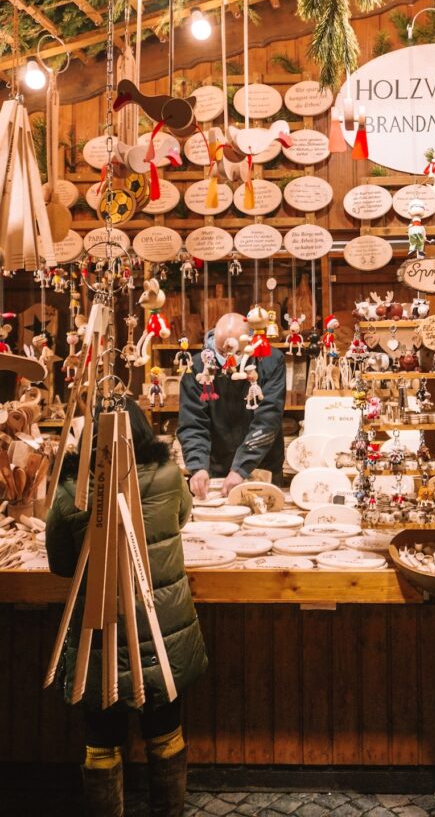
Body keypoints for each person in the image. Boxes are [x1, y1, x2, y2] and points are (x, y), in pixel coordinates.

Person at [46, 399, 207, 817]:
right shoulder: (170, 476)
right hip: (162, 629)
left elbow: (61, 564)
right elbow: (182, 517)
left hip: (97, 636)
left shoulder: (71, 488)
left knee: (101, 739)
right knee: (165, 730)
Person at [178, 312, 286, 498]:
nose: (229, 358)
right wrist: (197, 466)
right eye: (221, 351)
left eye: (237, 352)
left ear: (249, 340)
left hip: (262, 464)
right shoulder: (197, 368)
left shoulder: (271, 360)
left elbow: (268, 419)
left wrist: (241, 469)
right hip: (216, 467)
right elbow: (192, 422)